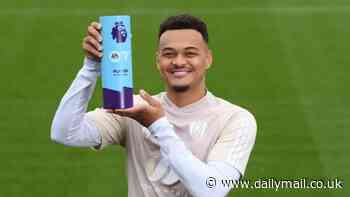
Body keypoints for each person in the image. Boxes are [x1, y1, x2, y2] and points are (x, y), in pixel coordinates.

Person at [51, 14, 257, 197]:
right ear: (158, 61)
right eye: (169, 54)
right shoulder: (134, 108)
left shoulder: (235, 119)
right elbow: (64, 133)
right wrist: (91, 67)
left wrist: (157, 125)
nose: (178, 61)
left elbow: (212, 190)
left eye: (190, 53)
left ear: (208, 59)